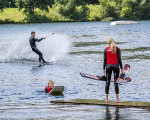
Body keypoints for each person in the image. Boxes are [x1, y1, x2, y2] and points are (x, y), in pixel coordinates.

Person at [103, 38, 123, 103]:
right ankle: (117, 100)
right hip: (116, 66)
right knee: (116, 83)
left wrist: (103, 71)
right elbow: (119, 59)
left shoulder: (106, 49)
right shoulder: (118, 49)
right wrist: (122, 68)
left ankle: (106, 100)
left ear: (108, 43)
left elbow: (105, 61)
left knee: (107, 82)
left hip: (108, 66)